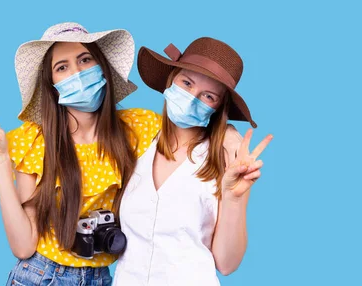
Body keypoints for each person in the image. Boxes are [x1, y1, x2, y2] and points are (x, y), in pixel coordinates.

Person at [0, 22, 161, 285]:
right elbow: (23, 247)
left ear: (102, 67)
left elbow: (191, 137)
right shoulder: (35, 142)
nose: (77, 72)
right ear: (52, 85)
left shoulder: (137, 129)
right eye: (62, 67)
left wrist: (226, 132)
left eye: (85, 59)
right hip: (41, 275)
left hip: (102, 277)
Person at [113, 37, 273, 285]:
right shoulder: (138, 142)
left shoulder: (227, 162)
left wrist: (234, 199)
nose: (192, 97)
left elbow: (227, 264)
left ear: (219, 107)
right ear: (171, 80)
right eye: (186, 83)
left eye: (208, 96)